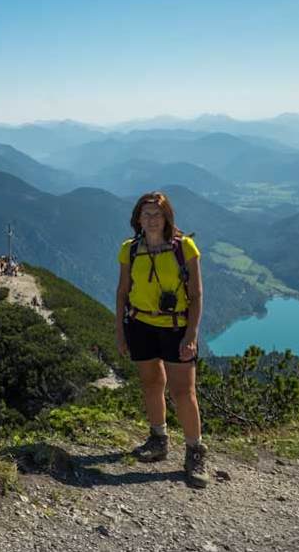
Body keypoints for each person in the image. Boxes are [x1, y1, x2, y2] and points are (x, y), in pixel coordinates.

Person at [115, 191, 208, 488]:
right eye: (146, 214)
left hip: (176, 327)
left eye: (157, 214)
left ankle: (195, 452)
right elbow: (122, 292)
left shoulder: (185, 247)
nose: (152, 219)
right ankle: (158, 439)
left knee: (183, 392)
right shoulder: (129, 250)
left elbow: (196, 296)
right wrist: (120, 331)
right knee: (152, 384)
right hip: (140, 324)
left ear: (167, 218)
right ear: (138, 219)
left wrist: (191, 335)